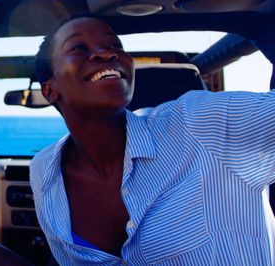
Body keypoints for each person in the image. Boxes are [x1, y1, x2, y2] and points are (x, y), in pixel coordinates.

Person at [30, 15, 275, 265]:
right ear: (50, 90)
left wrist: (264, 26)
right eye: (78, 48)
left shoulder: (199, 121)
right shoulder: (43, 169)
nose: (106, 54)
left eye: (115, 45)